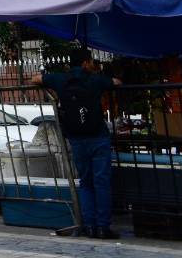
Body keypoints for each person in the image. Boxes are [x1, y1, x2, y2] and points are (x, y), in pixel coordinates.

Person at [33, 48, 122, 240]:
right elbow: (115, 83)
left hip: (76, 137)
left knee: (85, 182)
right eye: (91, 61)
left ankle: (89, 226)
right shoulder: (95, 79)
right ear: (85, 63)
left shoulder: (60, 79)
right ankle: (102, 227)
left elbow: (36, 79)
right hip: (98, 136)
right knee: (102, 183)